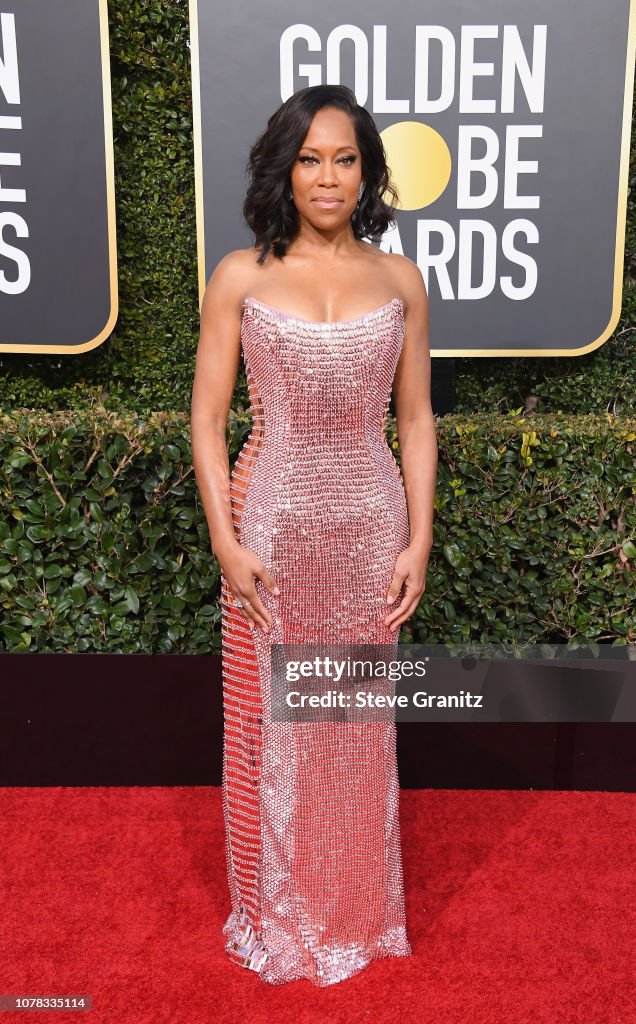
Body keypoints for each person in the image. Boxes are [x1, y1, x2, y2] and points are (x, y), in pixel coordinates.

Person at [190, 84, 437, 987]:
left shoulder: (400, 278)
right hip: (274, 528)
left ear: (367, 171)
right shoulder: (241, 276)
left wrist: (417, 539)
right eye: (309, 159)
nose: (326, 177)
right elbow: (208, 420)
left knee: (352, 727)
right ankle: (276, 915)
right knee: (274, 728)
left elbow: (414, 423)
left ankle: (356, 913)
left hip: (370, 526)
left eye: (343, 159)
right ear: (283, 169)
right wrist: (224, 535)